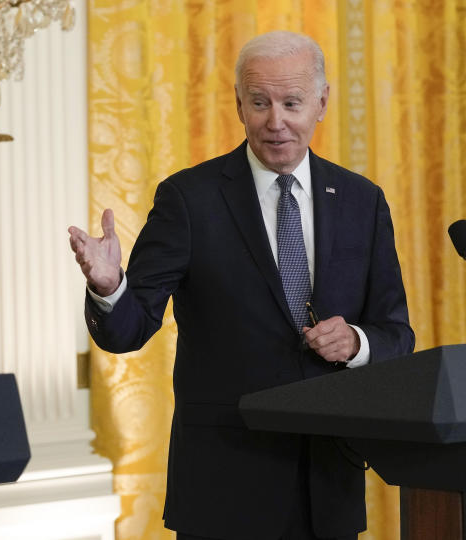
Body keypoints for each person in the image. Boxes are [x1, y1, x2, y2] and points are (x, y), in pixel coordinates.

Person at [69, 31, 414, 540]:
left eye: (292, 103)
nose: (276, 121)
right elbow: (127, 330)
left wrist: (358, 343)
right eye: (260, 103)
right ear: (238, 105)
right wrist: (109, 285)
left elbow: (396, 334)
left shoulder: (363, 201)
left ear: (322, 102)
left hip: (328, 485)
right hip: (223, 489)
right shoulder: (189, 198)